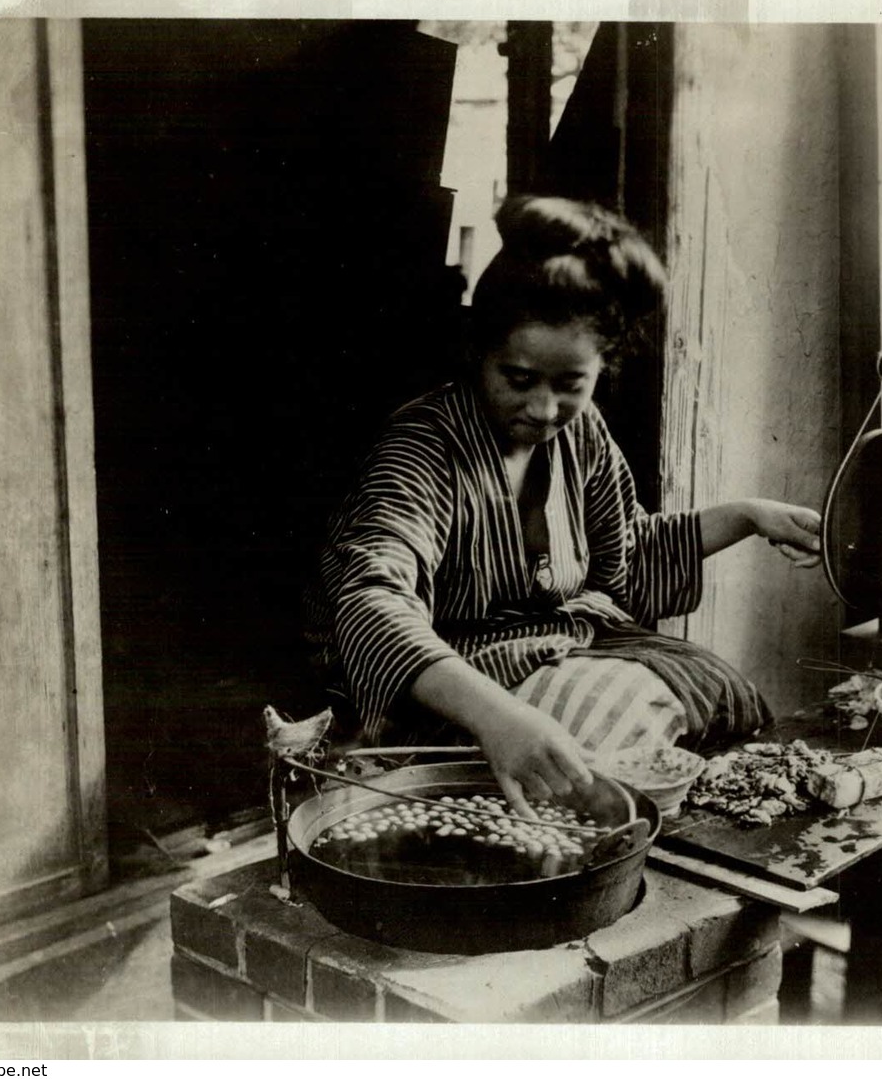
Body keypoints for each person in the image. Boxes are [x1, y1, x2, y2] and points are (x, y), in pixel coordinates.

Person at [309, 195, 822, 815]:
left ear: (603, 366)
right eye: (519, 379)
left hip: (555, 655)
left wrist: (746, 515)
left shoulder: (583, 434)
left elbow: (625, 559)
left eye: (571, 384)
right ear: (478, 352)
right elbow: (371, 599)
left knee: (703, 694)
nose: (545, 410)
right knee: (608, 735)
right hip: (444, 696)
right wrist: (500, 719)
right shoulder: (421, 449)